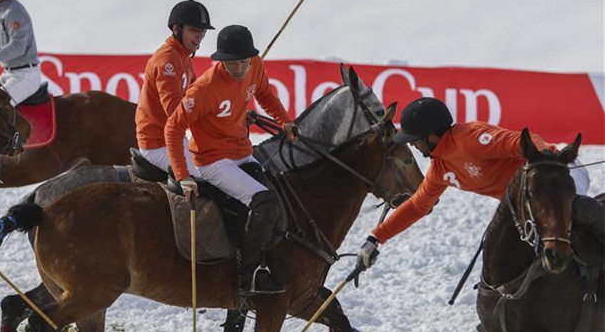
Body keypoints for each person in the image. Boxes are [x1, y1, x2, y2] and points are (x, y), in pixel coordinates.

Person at [355, 96, 603, 268]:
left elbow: (528, 141)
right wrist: (376, 238)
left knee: (567, 213)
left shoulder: (471, 138)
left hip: (557, 168)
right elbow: (418, 206)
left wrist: (547, 163)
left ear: (431, 135)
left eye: (414, 139)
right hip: (524, 201)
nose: (411, 144)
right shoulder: (441, 166)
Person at [164, 25, 297, 296]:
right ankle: (247, 277)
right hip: (213, 161)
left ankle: (260, 260)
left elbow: (265, 94)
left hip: (242, 152)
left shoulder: (256, 66)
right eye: (232, 63)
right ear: (220, 60)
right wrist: (183, 175)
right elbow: (172, 128)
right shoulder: (204, 89)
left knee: (278, 195)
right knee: (265, 202)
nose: (239, 69)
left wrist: (285, 120)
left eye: (243, 62)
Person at [135, 0, 214, 175]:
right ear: (177, 29)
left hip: (175, 139)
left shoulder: (183, 56)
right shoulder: (167, 60)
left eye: (202, 31)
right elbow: (174, 110)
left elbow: (197, 95)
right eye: (194, 30)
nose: (199, 36)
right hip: (157, 144)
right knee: (208, 178)